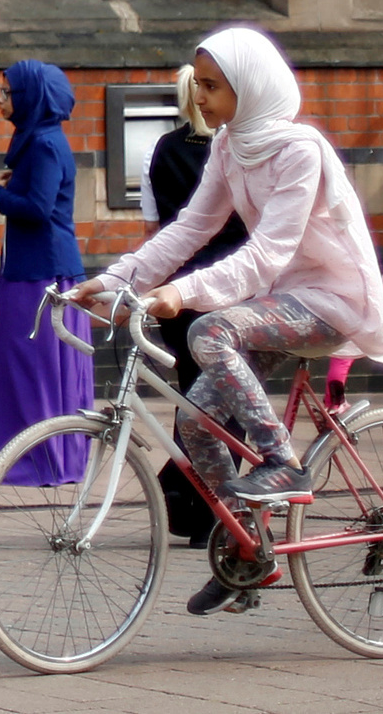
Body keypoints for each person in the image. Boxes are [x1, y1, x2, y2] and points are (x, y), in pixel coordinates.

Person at [80, 28, 383, 618]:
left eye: (211, 86)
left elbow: (268, 253)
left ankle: (281, 461)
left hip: (330, 300)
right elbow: (188, 229)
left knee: (211, 330)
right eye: (198, 84)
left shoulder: (300, 149)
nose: (199, 97)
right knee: (198, 423)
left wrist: (184, 293)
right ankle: (247, 551)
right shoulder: (229, 145)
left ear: (249, 87)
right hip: (283, 301)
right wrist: (116, 279)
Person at [136, 63, 244, 546]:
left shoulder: (163, 149)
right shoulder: (234, 150)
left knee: (191, 399)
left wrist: (143, 282)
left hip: (178, 292)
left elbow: (161, 228)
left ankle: (192, 500)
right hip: (236, 289)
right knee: (229, 402)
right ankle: (210, 506)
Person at [0, 60, 93, 485]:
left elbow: (38, 210)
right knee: (28, 365)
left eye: (7, 92)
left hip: (42, 273)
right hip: (33, 268)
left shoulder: (45, 144)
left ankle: (44, 458)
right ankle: (37, 453)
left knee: (35, 366)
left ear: (29, 97)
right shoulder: (37, 141)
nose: (0, 99)